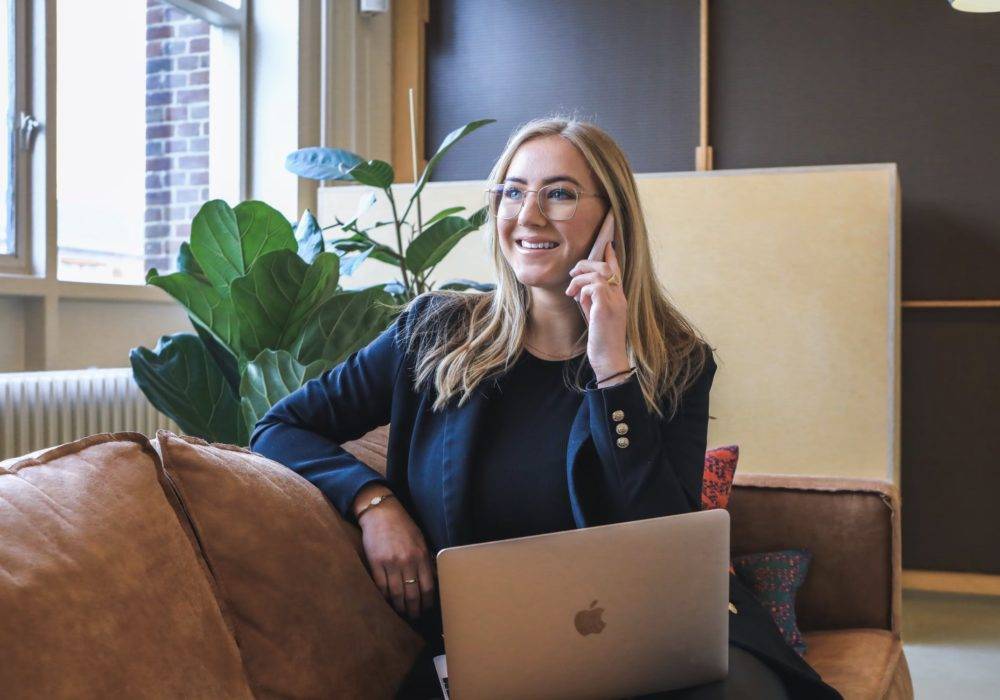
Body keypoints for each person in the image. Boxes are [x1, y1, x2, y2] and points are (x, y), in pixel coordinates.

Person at [249, 117, 842, 699]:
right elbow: (279, 426)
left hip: (653, 637)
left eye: (558, 194)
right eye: (512, 192)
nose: (527, 215)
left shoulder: (676, 361)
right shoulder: (434, 333)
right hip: (495, 652)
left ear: (613, 218)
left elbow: (668, 540)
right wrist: (374, 503)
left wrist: (614, 370)